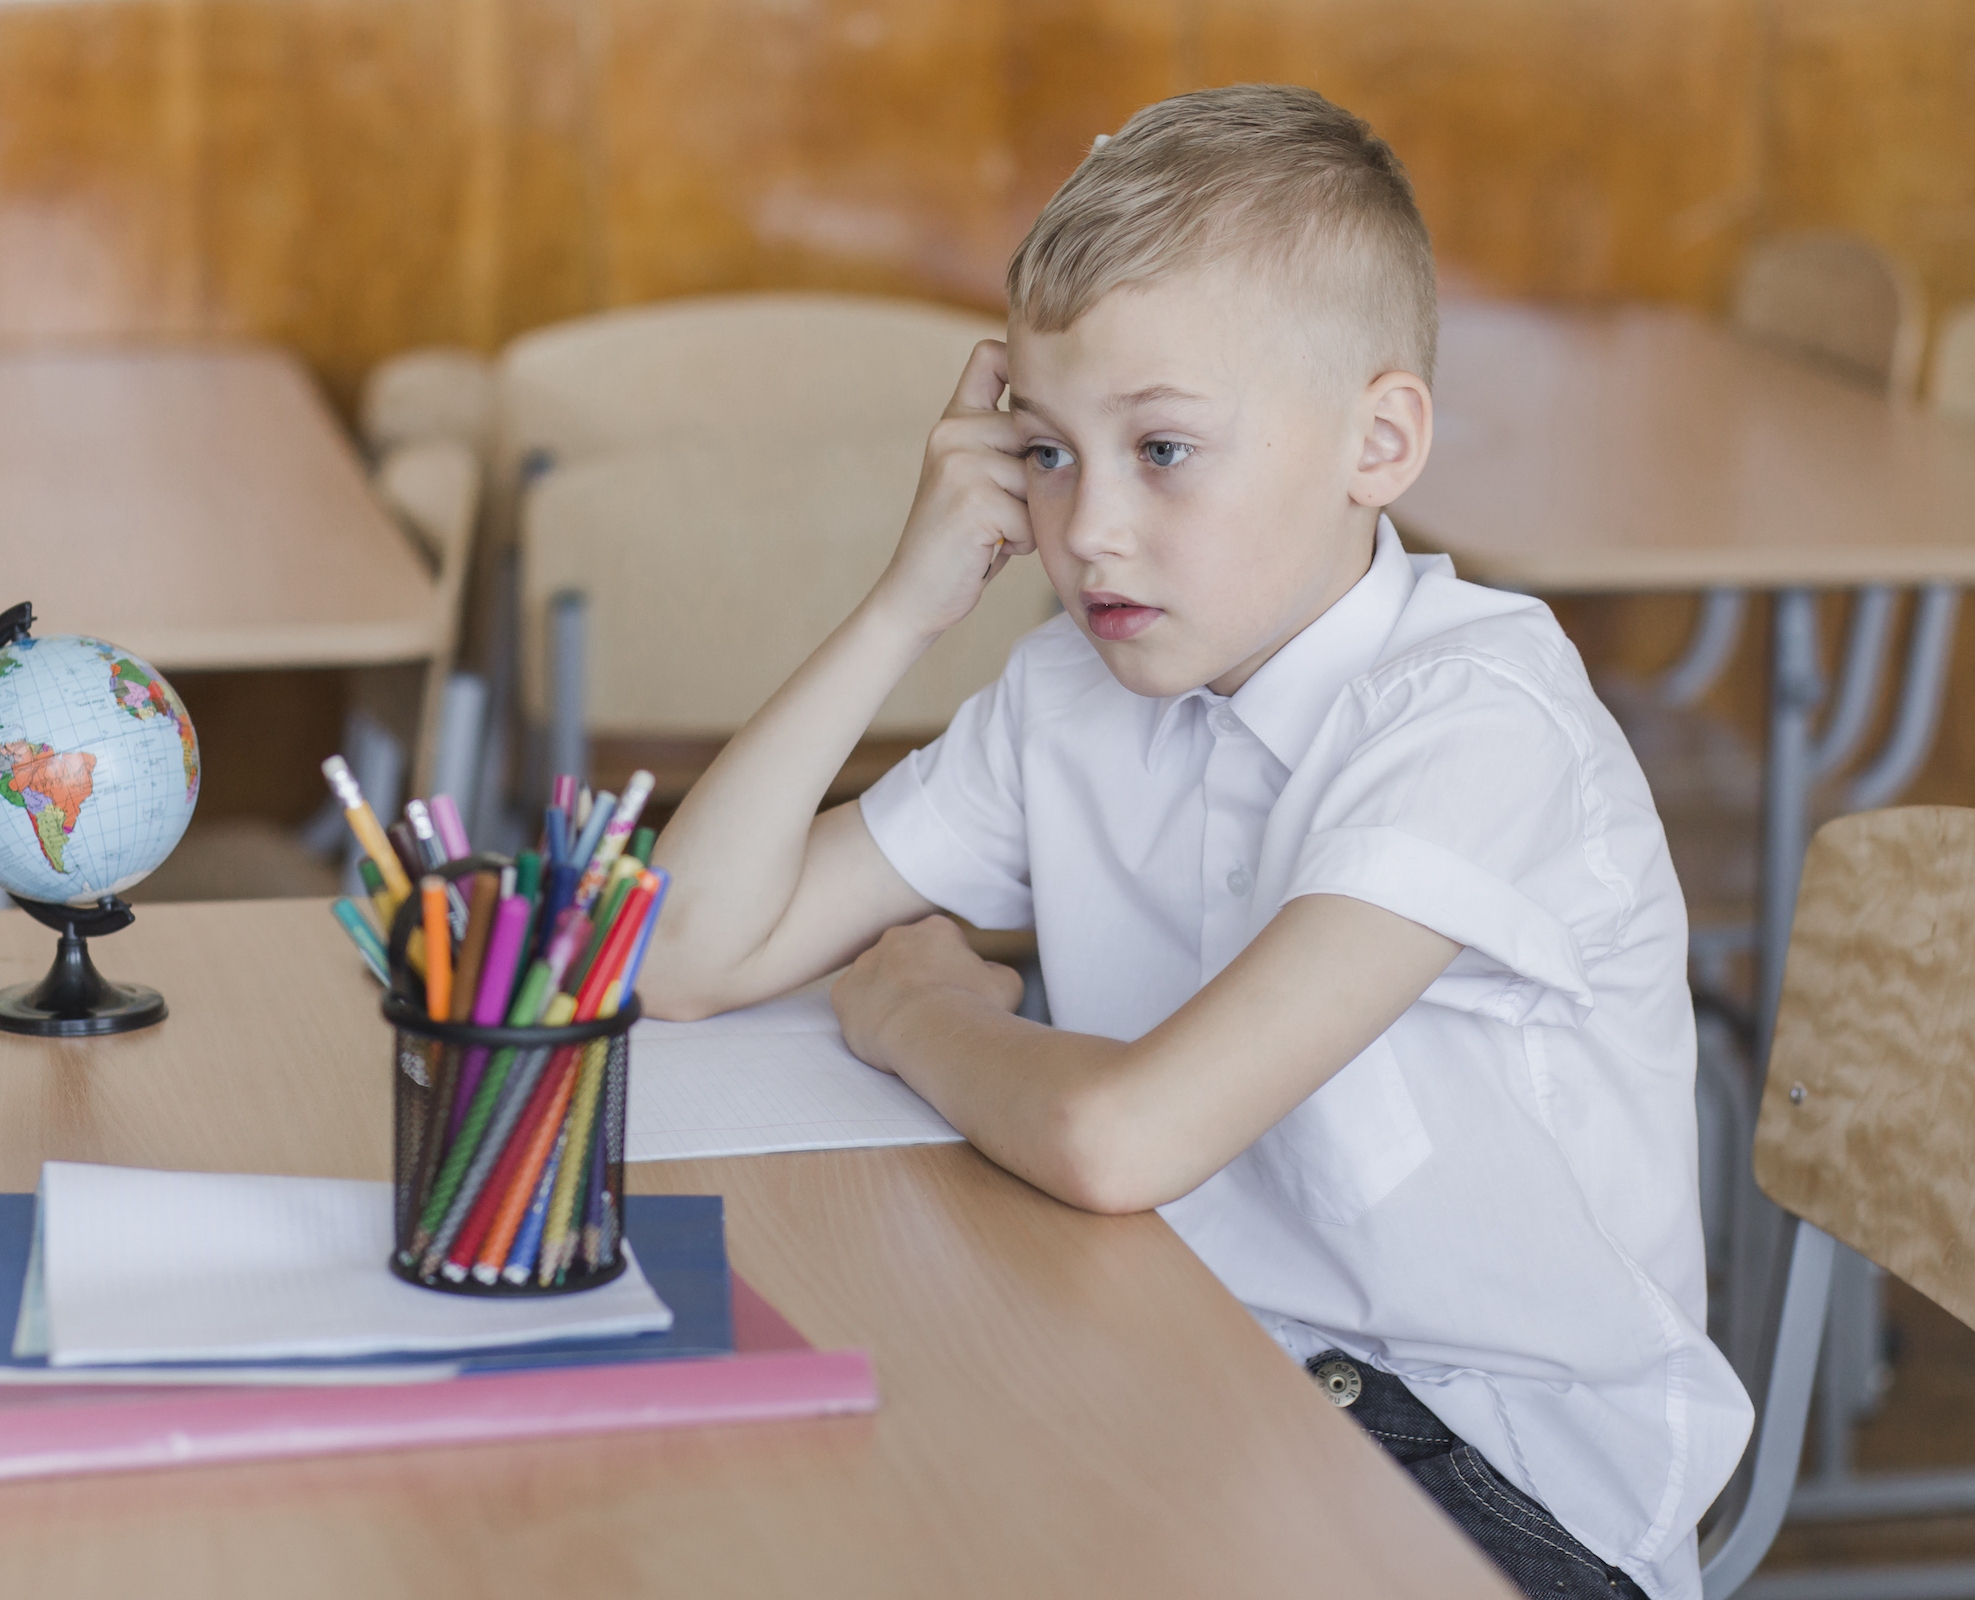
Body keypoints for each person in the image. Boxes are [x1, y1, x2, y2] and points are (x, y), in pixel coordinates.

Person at [642, 85, 1750, 1600]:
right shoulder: (1073, 693)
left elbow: (1123, 1138)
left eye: (1163, 450)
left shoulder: (1476, 723)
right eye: (1042, 452)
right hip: (1192, 1372)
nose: (1086, 527)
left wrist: (924, 1014)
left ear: (1379, 439)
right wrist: (907, 601)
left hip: (1492, 1492)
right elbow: (682, 955)